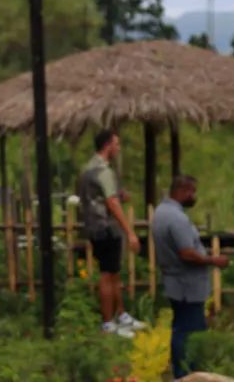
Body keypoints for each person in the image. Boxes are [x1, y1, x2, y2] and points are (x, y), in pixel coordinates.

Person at [152, 174, 230, 380]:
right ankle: (187, 373)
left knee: (181, 328)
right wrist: (214, 260)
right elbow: (186, 253)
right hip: (187, 285)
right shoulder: (177, 218)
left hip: (175, 282)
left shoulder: (161, 212)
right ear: (183, 191)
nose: (194, 196)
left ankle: (182, 372)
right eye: (192, 192)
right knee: (191, 332)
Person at [76, 129, 146, 338]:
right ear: (107, 145)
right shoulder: (104, 171)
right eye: (117, 144)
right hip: (106, 227)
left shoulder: (87, 168)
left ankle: (121, 315)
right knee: (108, 275)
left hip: (93, 225)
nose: (118, 148)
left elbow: (95, 196)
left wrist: (116, 195)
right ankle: (108, 322)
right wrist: (130, 231)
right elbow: (111, 202)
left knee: (113, 273)